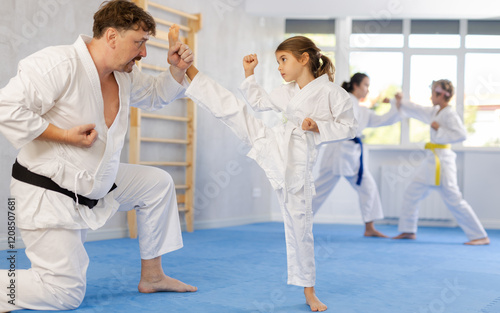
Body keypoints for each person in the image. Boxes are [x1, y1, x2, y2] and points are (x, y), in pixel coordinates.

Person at [0, 1, 197, 311]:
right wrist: (64, 135)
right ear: (111, 37)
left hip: (94, 177)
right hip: (48, 191)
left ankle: (153, 276)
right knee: (62, 293)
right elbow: (7, 109)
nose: (144, 53)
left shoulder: (124, 76)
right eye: (139, 42)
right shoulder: (58, 63)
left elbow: (157, 95)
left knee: (156, 183)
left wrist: (176, 69)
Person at [183, 32, 357, 311]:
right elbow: (259, 102)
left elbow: (349, 127)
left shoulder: (332, 93)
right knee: (234, 112)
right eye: (278, 61)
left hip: (297, 163)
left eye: (283, 60)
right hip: (273, 141)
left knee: (301, 226)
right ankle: (190, 72)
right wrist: (249, 74)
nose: (279, 67)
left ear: (304, 59)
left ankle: (309, 290)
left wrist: (318, 127)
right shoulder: (286, 91)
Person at [392, 79, 489, 245]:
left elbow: (461, 134)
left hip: (443, 162)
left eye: (433, 93)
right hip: (431, 160)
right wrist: (399, 102)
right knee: (411, 192)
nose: (431, 97)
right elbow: (418, 110)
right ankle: (408, 230)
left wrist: (439, 129)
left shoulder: (450, 114)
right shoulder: (435, 111)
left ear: (442, 95)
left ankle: (480, 236)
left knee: (454, 199)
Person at [313, 73, 401, 238]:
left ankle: (369, 227)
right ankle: (298, 223)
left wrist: (396, 106)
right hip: (336, 153)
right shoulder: (343, 101)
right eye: (365, 85)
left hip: (352, 156)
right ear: (355, 85)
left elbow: (383, 120)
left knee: (369, 188)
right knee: (319, 191)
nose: (367, 89)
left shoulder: (362, 110)